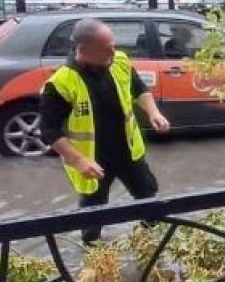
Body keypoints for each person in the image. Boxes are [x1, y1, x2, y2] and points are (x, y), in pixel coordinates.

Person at [39, 18, 170, 245]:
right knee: (93, 209)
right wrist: (78, 160)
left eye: (113, 46)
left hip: (128, 152)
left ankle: (152, 245)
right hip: (93, 161)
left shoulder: (119, 62)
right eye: (105, 50)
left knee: (148, 197)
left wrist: (154, 113)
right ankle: (93, 252)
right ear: (83, 49)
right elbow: (49, 131)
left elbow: (139, 89)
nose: (113, 53)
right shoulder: (61, 83)